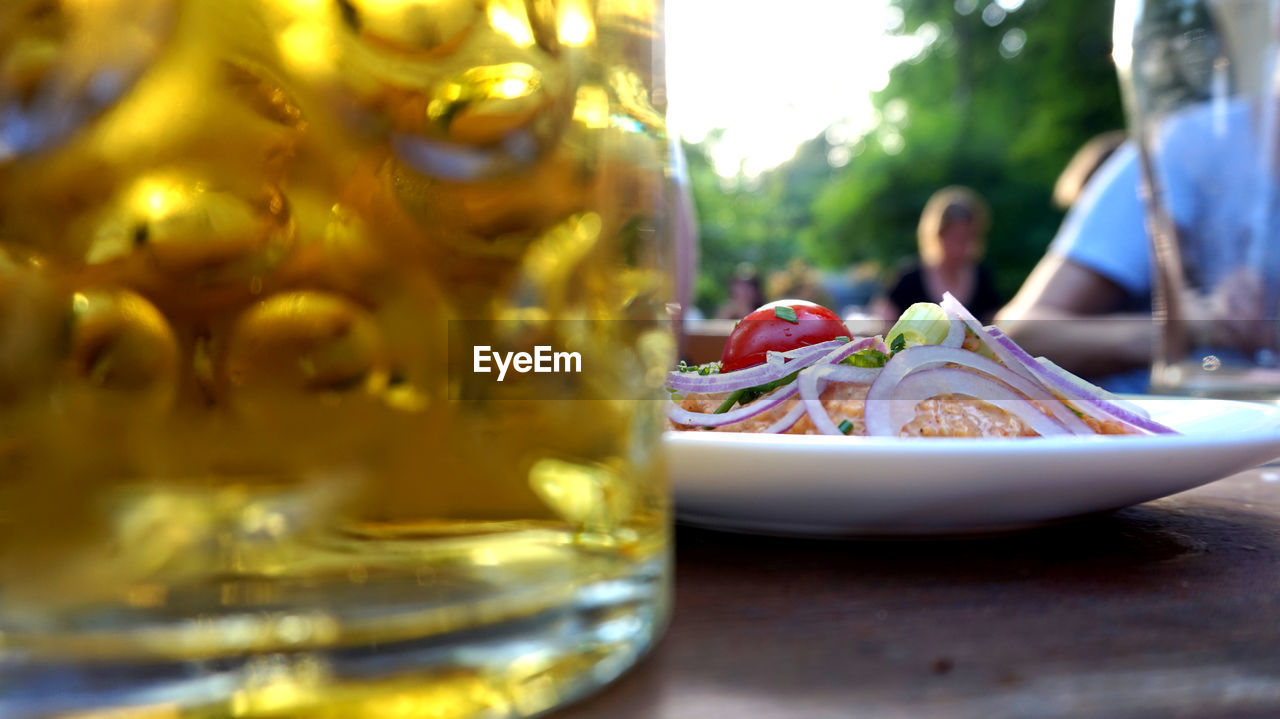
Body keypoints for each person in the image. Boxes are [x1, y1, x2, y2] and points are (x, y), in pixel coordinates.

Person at [872, 186, 1004, 324]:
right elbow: (881, 322)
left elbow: (996, 324)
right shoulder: (908, 277)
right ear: (936, 235)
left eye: (968, 238)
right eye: (954, 237)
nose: (961, 248)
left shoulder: (983, 275)